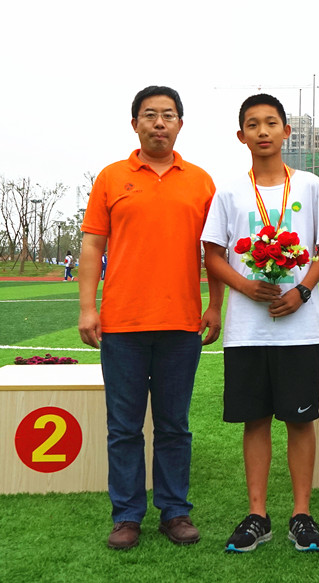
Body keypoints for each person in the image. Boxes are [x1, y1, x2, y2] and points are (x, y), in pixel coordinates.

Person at [78, 86, 222, 550]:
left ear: (180, 123)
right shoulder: (111, 177)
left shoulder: (200, 182)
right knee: (123, 428)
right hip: (122, 325)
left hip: (181, 323)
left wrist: (214, 305)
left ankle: (175, 511)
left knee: (174, 425)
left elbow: (214, 251)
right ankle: (126, 516)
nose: (159, 123)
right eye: (149, 115)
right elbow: (92, 245)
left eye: (168, 115)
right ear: (135, 123)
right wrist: (88, 307)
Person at [201, 94, 319, 553]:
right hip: (247, 330)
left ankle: (302, 514)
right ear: (242, 136)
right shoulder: (229, 192)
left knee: (300, 420)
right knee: (254, 420)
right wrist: (245, 286)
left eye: (271, 122)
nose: (263, 131)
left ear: (286, 132)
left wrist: (302, 291)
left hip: (299, 327)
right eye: (253, 124)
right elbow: (213, 253)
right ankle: (257, 515)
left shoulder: (310, 185)